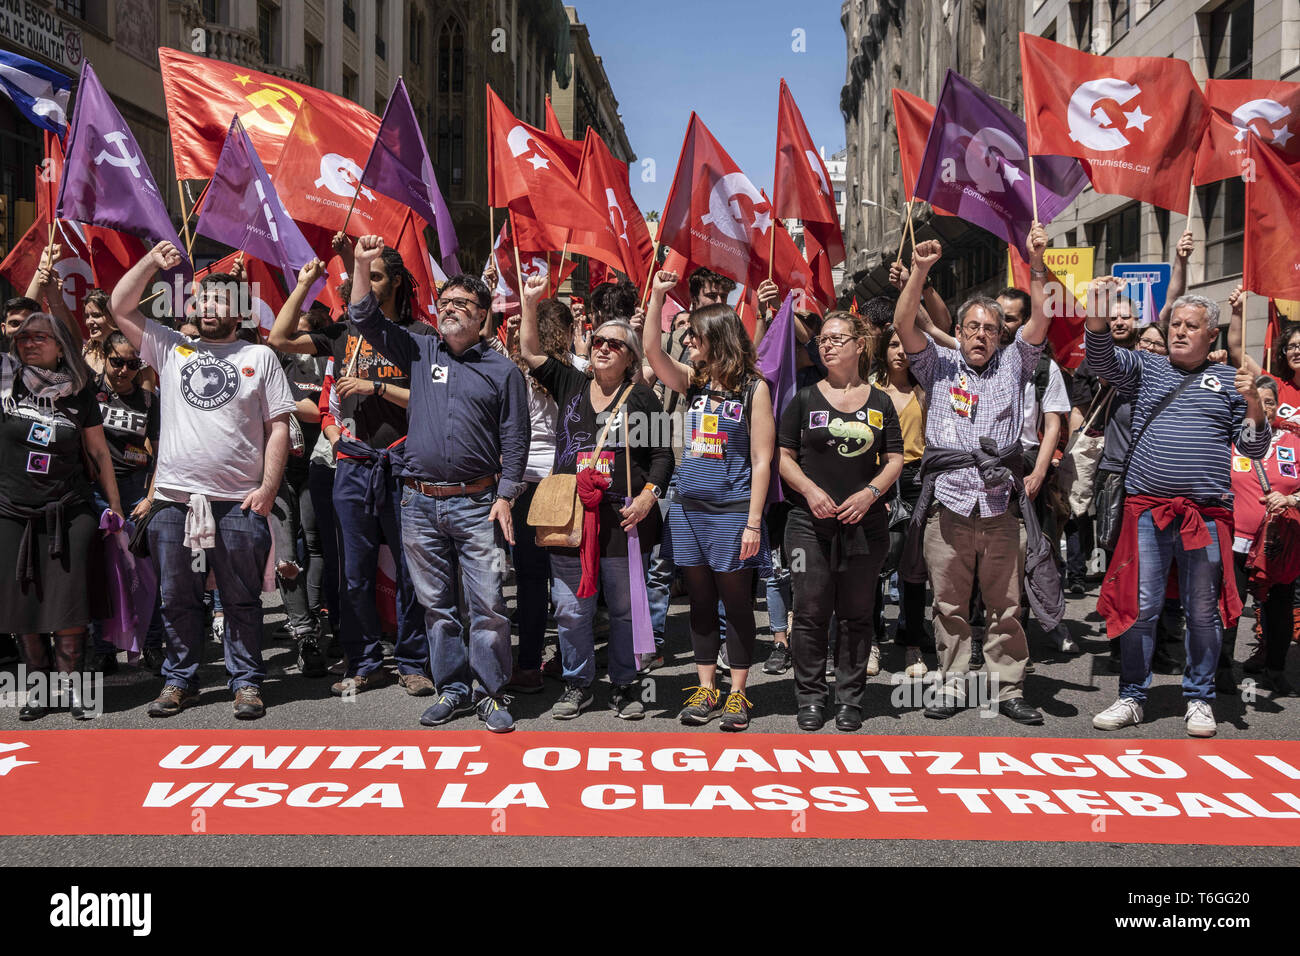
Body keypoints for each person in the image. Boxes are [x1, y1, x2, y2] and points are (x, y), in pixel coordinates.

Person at [347, 235, 529, 733]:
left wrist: (507, 495)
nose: (449, 310)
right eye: (444, 302)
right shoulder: (421, 349)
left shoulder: (503, 371)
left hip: (478, 505)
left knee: (488, 605)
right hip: (419, 503)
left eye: (461, 304)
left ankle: (491, 693)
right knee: (436, 606)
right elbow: (363, 317)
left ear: (483, 315)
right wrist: (362, 263)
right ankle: (452, 687)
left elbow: (516, 438)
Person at [111, 241, 296, 720]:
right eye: (203, 299)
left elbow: (279, 426)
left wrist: (268, 489)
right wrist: (152, 262)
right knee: (178, 598)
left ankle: (247, 682)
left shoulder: (260, 356)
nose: (209, 306)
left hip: (239, 503)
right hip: (174, 502)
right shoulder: (171, 347)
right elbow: (119, 306)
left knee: (240, 599)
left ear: (238, 312)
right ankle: (180, 681)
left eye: (221, 300)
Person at [1088, 281, 1270, 738]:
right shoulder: (1146, 367)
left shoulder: (1230, 381)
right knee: (1141, 606)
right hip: (1147, 512)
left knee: (1203, 612)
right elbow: (1100, 359)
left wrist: (1253, 404)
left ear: (1212, 335)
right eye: (1175, 324)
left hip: (1206, 517)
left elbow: (1254, 447)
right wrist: (1095, 313)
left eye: (1192, 326)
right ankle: (1132, 694)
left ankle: (1201, 698)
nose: (1180, 332)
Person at [895, 229, 1061, 726]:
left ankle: (1007, 688)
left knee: (1005, 607)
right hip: (949, 503)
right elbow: (904, 321)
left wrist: (1036, 260)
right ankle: (949, 683)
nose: (981, 335)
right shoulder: (937, 365)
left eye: (990, 328)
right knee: (947, 605)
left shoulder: (1016, 364)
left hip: (1000, 507)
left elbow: (1045, 312)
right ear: (960, 332)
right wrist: (921, 271)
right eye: (972, 327)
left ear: (1000, 336)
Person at [268, 249, 433, 698]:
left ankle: (414, 662)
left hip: (403, 466)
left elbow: (433, 401)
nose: (368, 284)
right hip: (353, 464)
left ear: (397, 282)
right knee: (353, 573)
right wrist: (304, 283)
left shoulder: (419, 335)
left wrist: (375, 386)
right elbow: (279, 339)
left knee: (410, 568)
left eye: (376, 276)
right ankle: (364, 662)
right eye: (364, 277)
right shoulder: (342, 333)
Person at [519, 275, 673, 719]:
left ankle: (625, 684)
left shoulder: (641, 397)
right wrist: (530, 301)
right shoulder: (569, 381)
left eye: (615, 344)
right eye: (599, 341)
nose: (603, 347)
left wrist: (647, 497)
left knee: (623, 612)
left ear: (630, 358)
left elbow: (662, 454)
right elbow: (530, 352)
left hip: (622, 519)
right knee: (570, 610)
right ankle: (577, 683)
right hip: (570, 517)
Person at [643, 269, 775, 731]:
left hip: (733, 513)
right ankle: (706, 686)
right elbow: (652, 352)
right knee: (698, 602)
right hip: (688, 509)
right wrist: (659, 296)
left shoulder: (754, 389)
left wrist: (754, 522)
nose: (690, 344)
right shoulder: (693, 381)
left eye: (696, 337)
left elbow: (762, 460)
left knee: (736, 603)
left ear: (717, 337)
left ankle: (738, 693)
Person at [778, 312, 903, 731]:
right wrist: (810, 490)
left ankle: (850, 698)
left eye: (836, 338)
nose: (827, 345)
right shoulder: (804, 398)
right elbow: (783, 457)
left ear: (858, 346)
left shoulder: (881, 401)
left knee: (856, 614)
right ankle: (811, 697)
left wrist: (871, 494)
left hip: (864, 524)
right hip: (808, 525)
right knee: (810, 612)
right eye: (823, 340)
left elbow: (895, 459)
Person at [1, 313, 123, 719]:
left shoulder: (81, 393)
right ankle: (37, 688)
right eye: (23, 338)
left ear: (61, 346)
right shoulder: (6, 383)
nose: (29, 344)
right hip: (11, 513)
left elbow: (100, 453)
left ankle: (72, 686)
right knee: (23, 607)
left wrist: (116, 508)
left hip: (70, 512)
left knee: (70, 605)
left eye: (40, 337)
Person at [498, 298, 565, 695]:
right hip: (560, 481)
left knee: (530, 578)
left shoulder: (513, 373)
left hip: (522, 481)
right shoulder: (574, 370)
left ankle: (528, 664)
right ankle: (569, 658)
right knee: (566, 578)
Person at [90, 330, 164, 673]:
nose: (123, 370)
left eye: (132, 364)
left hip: (137, 491)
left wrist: (150, 497)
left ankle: (151, 645)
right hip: (95, 494)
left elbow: (162, 452)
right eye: (117, 361)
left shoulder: (149, 401)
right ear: (103, 356)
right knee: (101, 574)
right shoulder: (88, 392)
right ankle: (103, 649)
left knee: (145, 575)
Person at [1226, 375, 1299, 697]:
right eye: (1257, 401)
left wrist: (1292, 499)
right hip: (1235, 542)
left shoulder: (1295, 443)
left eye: (1269, 402)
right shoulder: (1230, 439)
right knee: (1229, 608)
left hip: (1278, 546)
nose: (1264, 407)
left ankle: (1275, 669)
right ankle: (1221, 671)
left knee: (1279, 611)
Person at [874, 325, 930, 677]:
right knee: (875, 566)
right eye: (892, 345)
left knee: (914, 567)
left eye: (905, 344)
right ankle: (870, 642)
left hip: (917, 479)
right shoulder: (870, 391)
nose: (900, 351)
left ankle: (912, 643)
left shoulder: (926, 391)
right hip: (878, 479)